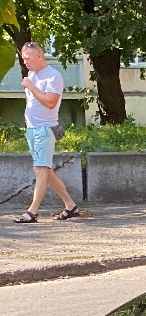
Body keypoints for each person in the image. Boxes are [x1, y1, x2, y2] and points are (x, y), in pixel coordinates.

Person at [13, 42, 80, 223]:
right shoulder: (32, 75)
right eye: (23, 57)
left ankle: (32, 212)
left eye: (27, 58)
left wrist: (31, 87)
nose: (24, 61)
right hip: (32, 128)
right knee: (45, 170)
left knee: (41, 170)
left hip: (45, 129)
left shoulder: (53, 76)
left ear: (39, 56)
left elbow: (50, 102)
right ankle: (70, 206)